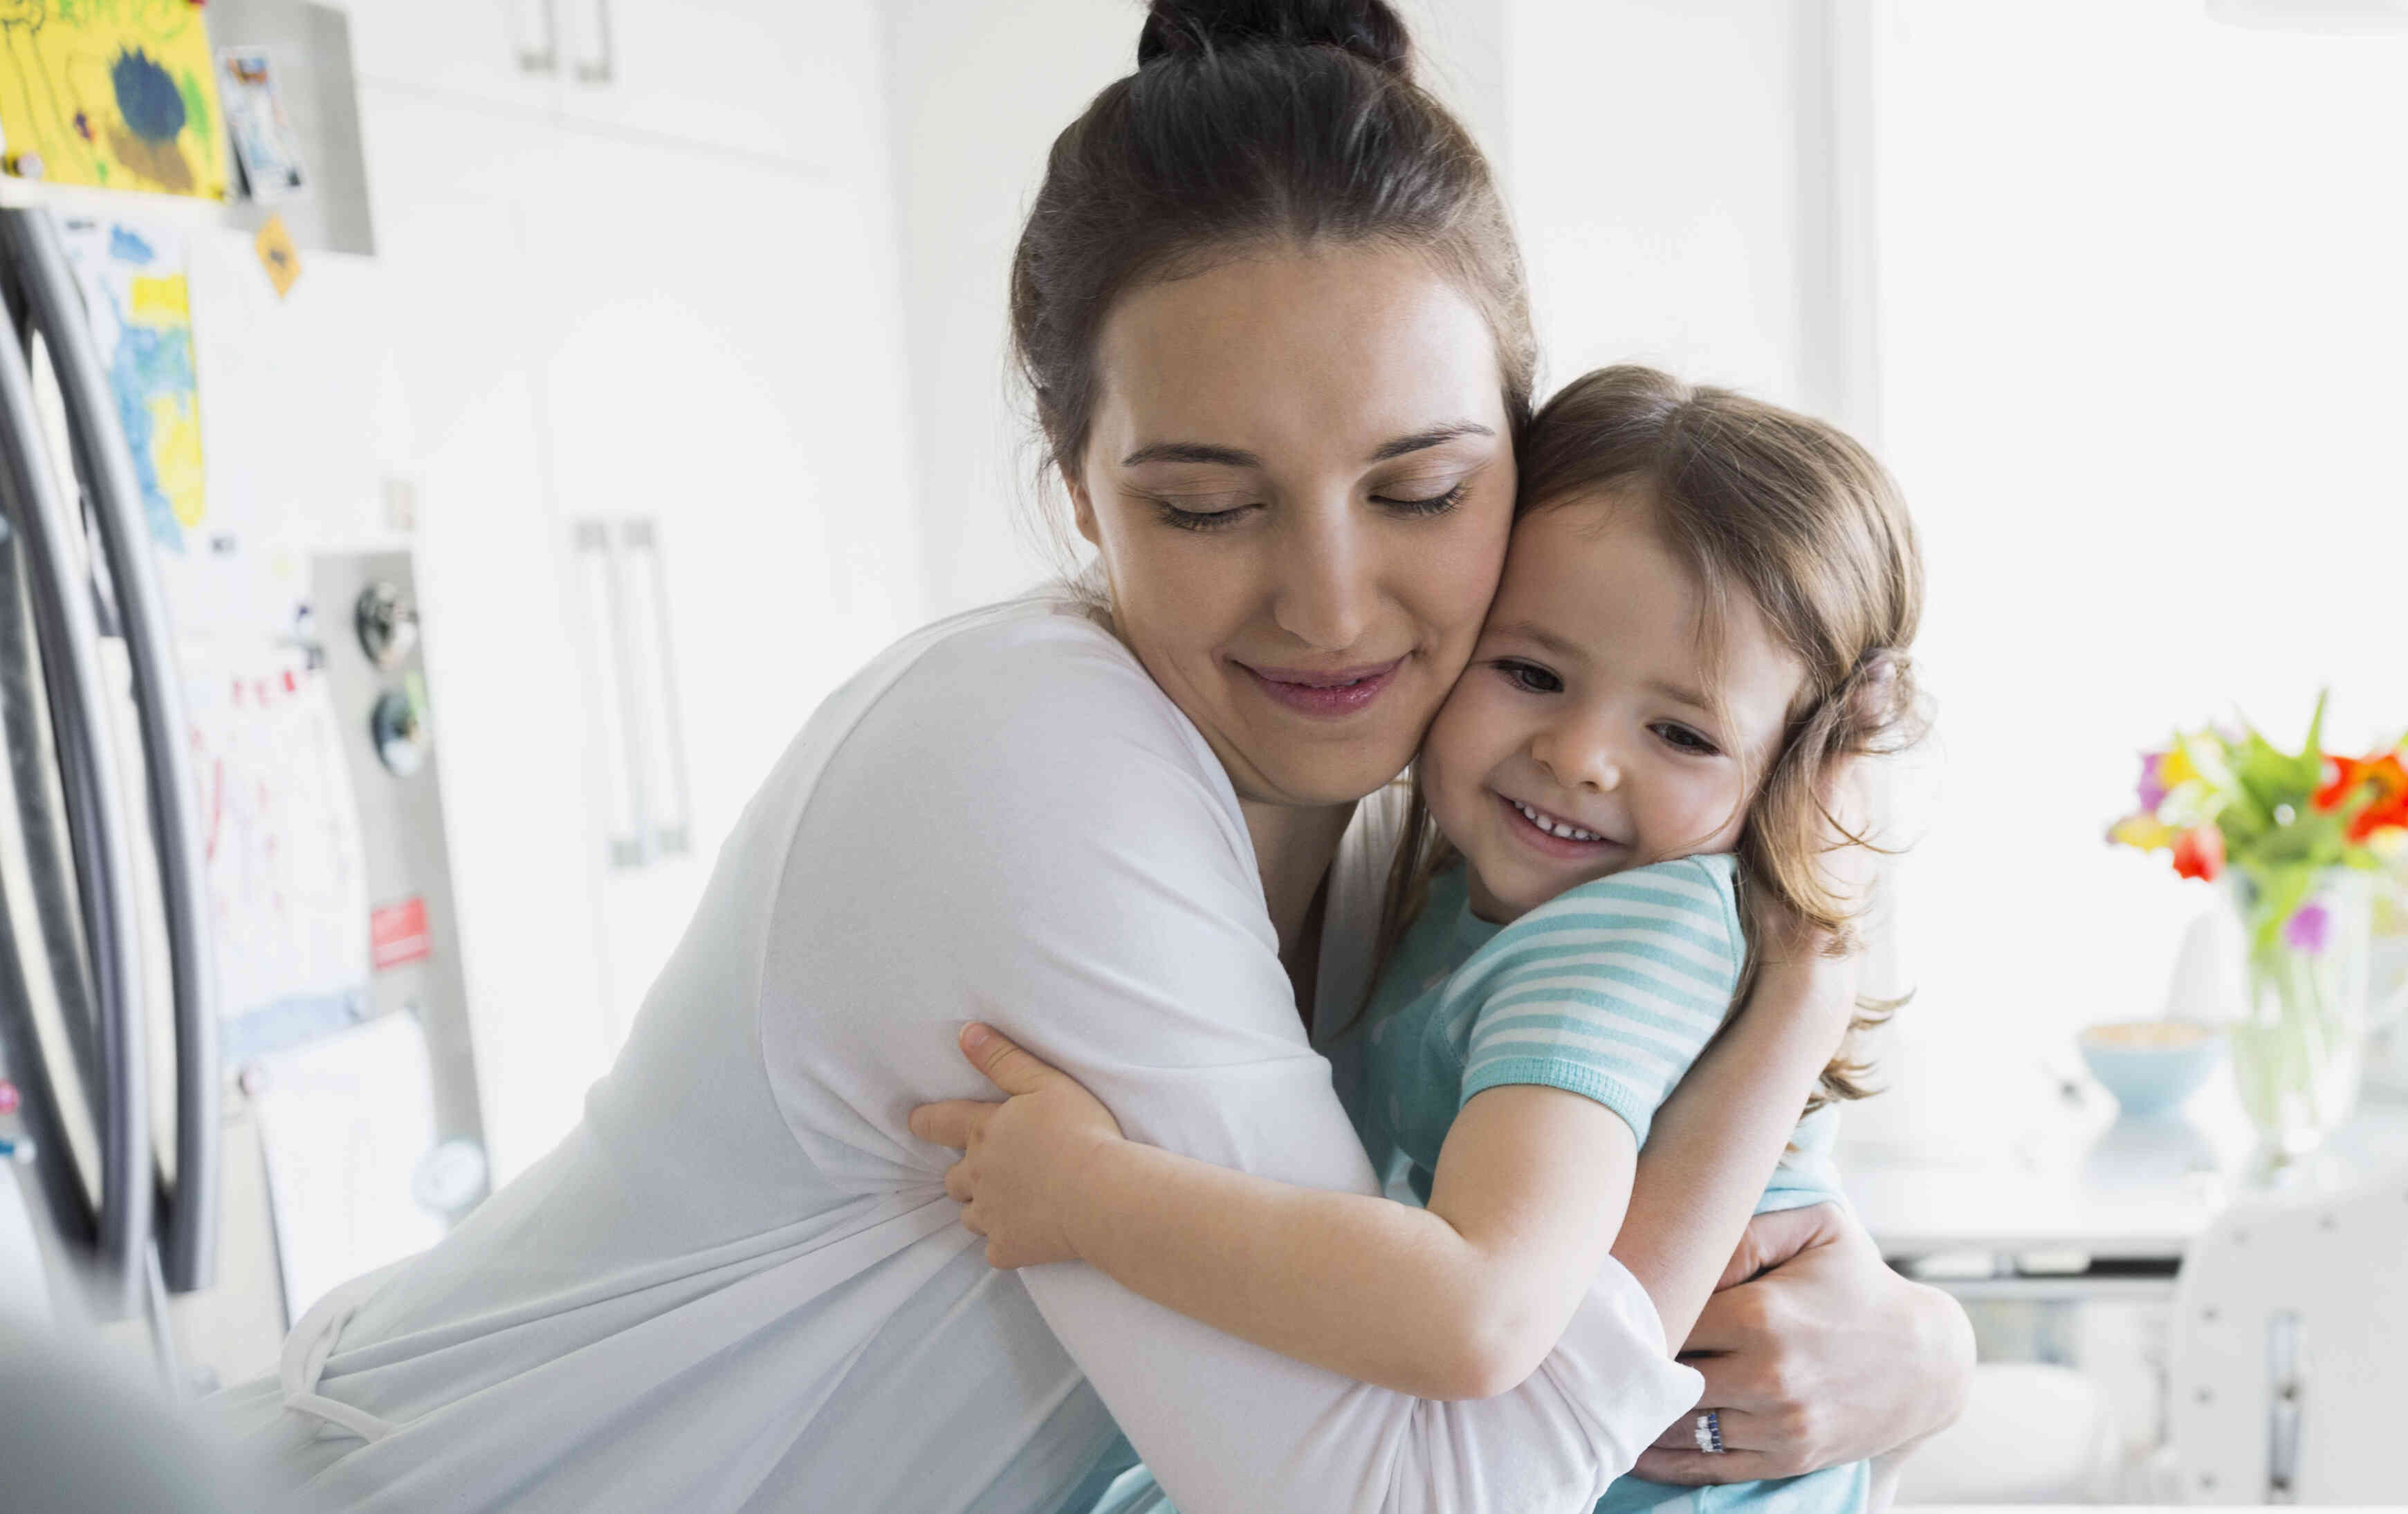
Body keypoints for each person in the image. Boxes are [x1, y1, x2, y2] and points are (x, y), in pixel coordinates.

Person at [213, 5, 1971, 1511]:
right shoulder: (1027, 763)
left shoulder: (1401, 843)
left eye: (1421, 491)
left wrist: (1913, 1348)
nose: (1335, 605)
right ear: (1077, 494)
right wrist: (1800, 1018)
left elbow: (1535, 1232)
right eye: (1206, 503)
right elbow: (1425, 1486)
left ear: (1519, 460)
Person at [918, 364, 1923, 1513]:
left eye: (1683, 732)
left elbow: (1480, 1311)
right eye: (1533, 672)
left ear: (1792, 776)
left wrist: (1090, 1196)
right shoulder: (1483, 898)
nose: (1583, 755)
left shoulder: (1629, 933)